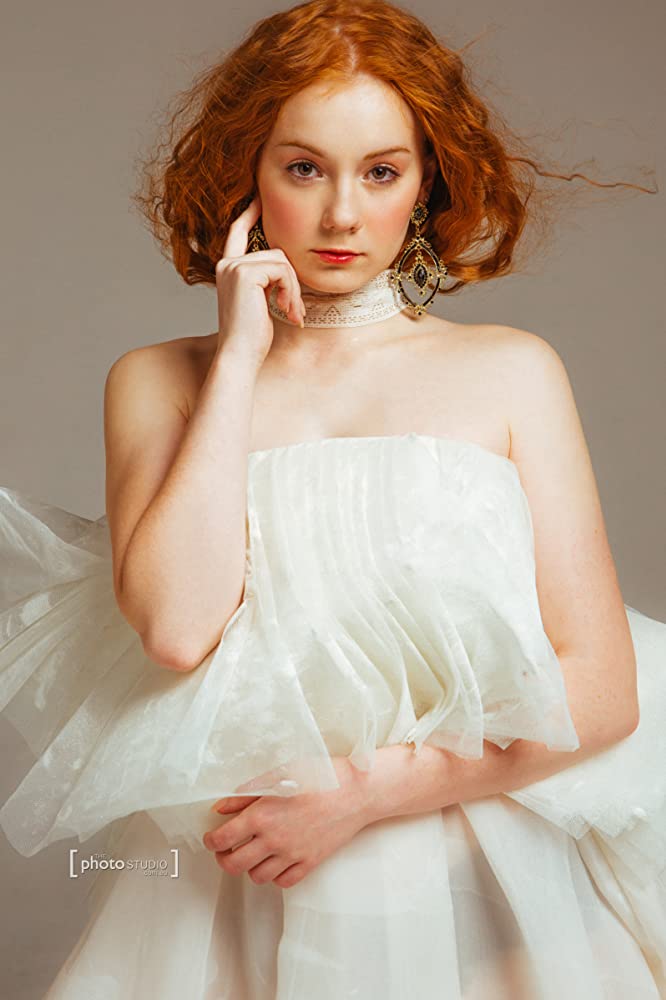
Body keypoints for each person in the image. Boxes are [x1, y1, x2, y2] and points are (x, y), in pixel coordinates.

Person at [1, 1, 664, 997]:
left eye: (381, 172)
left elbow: (603, 691)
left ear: (428, 179)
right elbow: (177, 630)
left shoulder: (513, 372)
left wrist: (360, 794)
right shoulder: (157, 381)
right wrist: (238, 361)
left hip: (475, 886)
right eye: (305, 168)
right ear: (249, 174)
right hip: (234, 888)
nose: (344, 214)